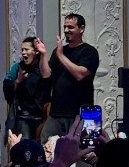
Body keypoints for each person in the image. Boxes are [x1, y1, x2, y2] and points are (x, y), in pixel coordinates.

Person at [37, 13, 100, 142]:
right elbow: (46, 74)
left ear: (81, 28)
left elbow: (80, 74)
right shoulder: (59, 51)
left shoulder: (89, 52)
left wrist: (61, 56)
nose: (66, 30)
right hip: (57, 112)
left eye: (70, 27)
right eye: (65, 27)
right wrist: (43, 55)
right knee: (46, 146)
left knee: (85, 152)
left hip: (83, 113)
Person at [3, 36, 50, 141]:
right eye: (22, 50)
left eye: (27, 49)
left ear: (36, 51)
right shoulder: (17, 68)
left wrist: (43, 54)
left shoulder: (43, 67)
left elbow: (48, 80)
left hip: (42, 118)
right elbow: (7, 89)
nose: (23, 53)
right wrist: (18, 81)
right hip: (23, 119)